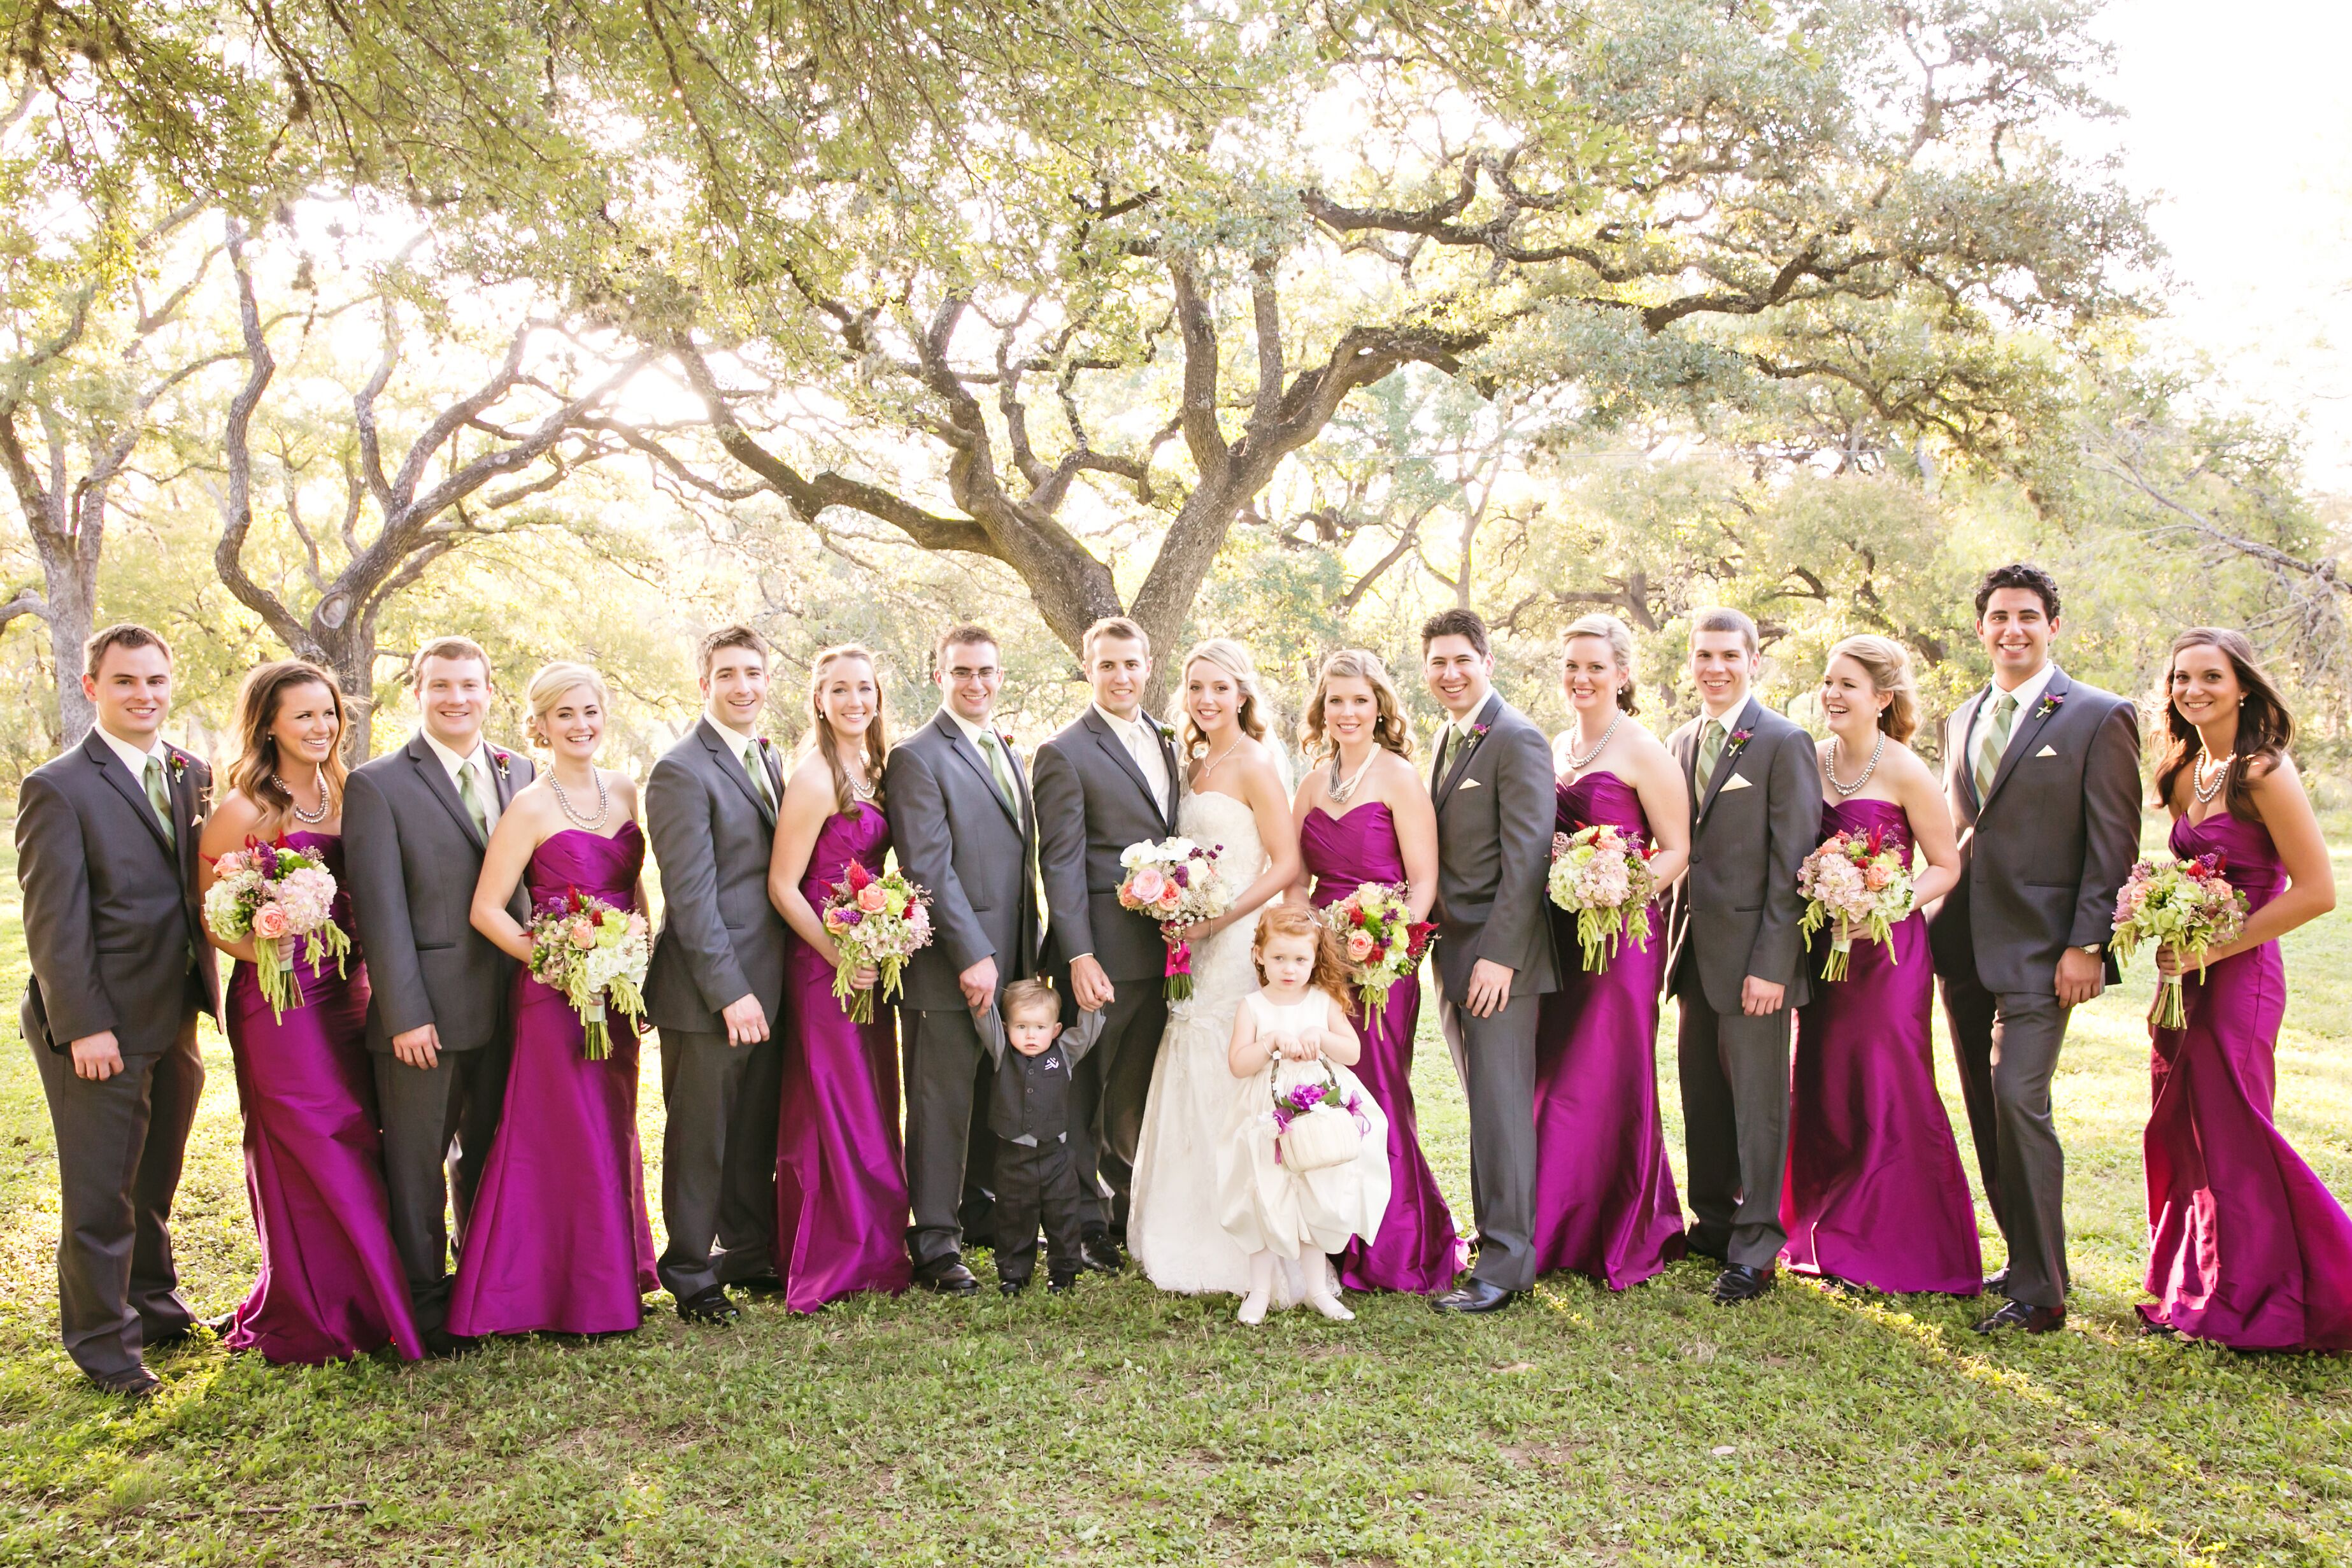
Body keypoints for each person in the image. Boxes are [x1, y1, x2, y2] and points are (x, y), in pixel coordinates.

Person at [1928, 564, 2140, 1334]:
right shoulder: (1961, 718)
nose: (2011, 629)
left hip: (2047, 949)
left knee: (2020, 1096)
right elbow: (1957, 831)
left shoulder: (2097, 714)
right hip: (1962, 945)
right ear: (1981, 628)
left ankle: (2044, 1294)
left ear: (2053, 624)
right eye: (1997, 617)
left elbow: (2114, 843)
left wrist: (2089, 942)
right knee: (1985, 1106)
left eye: (2027, 616)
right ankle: (2023, 1257)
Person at [194, 662, 422, 1364]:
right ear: (269, 724)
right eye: (304, 717)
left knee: (359, 1131)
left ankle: (373, 1296)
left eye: (329, 714)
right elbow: (212, 919)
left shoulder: (357, 794)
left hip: (349, 992)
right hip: (278, 1002)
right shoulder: (242, 809)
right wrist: (267, 941)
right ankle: (318, 1307)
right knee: (310, 1140)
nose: (321, 727)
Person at [18, 625, 218, 1397]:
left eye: (157, 680)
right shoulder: (59, 785)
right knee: (101, 1190)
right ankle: (104, 1345)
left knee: (153, 1177)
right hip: (98, 1024)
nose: (145, 695)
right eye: (127, 681)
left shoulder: (190, 772)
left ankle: (154, 1303)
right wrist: (84, 1025)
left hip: (174, 1012)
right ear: (92, 685)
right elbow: (54, 924)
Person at [2137, 629, 2351, 1350]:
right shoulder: (2182, 772)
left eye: (2210, 677)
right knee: (2184, 1123)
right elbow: (2188, 877)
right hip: (2184, 977)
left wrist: (2216, 946)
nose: (2192, 689)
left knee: (2237, 1127)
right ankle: (2202, 1284)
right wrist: (2164, 926)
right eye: (2180, 678)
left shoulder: (2263, 771)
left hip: (2242, 975)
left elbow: (2317, 890)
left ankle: (2280, 1292)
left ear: (2244, 688)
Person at [448, 662, 658, 1336]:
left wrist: (635, 964)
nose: (581, 725)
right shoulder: (530, 806)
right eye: (564, 714)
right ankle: (553, 1294)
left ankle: (609, 1275)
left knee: (612, 1126)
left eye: (590, 711)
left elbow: (636, 891)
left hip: (618, 990)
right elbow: (487, 909)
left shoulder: (624, 788)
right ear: (538, 725)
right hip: (555, 995)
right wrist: (563, 961)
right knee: (561, 1133)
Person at [343, 636, 537, 1353]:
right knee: (417, 1161)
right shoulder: (380, 783)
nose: (456, 698)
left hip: (513, 1001)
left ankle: (484, 1287)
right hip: (424, 1007)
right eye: (441, 686)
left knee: (490, 1151)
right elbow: (379, 911)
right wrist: (405, 1012)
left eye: (469, 684)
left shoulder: (522, 771)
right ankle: (422, 1302)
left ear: (491, 690)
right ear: (416, 692)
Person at [1782, 636, 1981, 1296]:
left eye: (1848, 684)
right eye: (1828, 681)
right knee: (1825, 1078)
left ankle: (1896, 1234)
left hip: (1888, 954)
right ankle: (1826, 1222)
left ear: (1882, 698)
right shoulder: (1808, 761)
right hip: (1823, 950)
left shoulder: (1905, 770)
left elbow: (1947, 866)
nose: (1832, 694)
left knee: (1884, 1079)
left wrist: (1886, 903)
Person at [1127, 639, 1306, 1297]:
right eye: (1196, 686)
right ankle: (1181, 1221)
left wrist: (1219, 918)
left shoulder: (1256, 762)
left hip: (1229, 943)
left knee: (1233, 1075)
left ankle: (1242, 1238)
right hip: (1187, 939)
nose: (1206, 698)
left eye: (1220, 688)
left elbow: (1285, 863)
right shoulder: (1190, 760)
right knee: (1187, 1063)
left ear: (1242, 693)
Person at [1288, 648, 1465, 1295]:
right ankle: (1338, 1237)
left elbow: (1422, 882)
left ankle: (1400, 1241)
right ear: (1322, 708)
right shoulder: (1311, 782)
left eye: (1360, 700)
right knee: (1330, 1097)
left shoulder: (1397, 776)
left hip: (1381, 966)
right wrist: (1298, 952)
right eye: (1336, 700)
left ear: (1381, 707)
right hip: (1321, 967)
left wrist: (1390, 951)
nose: (1348, 711)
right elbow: (1299, 880)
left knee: (1381, 1095)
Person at [1662, 608, 1818, 1306]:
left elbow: (1795, 861)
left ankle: (1756, 1243)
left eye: (1729, 655)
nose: (1715, 668)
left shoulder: (1784, 741)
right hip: (1692, 953)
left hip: (1757, 959)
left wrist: (1774, 963)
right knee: (1701, 1093)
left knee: (1758, 1103)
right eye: (1703, 656)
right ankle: (1715, 1222)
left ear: (1755, 660)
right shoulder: (1680, 740)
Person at [1529, 616, 1690, 1289]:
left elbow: (1677, 849)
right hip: (1560, 935)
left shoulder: (1643, 749)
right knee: (1554, 1071)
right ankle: (1555, 1217)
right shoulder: (1556, 745)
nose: (1581, 677)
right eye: (1571, 665)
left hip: (1621, 940)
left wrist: (1616, 889)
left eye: (1595, 666)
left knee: (1603, 1073)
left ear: (1623, 674)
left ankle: (1614, 1224)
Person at [885, 624, 1042, 1294]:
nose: (975, 683)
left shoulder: (1004, 747)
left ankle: (976, 1213)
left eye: (986, 671)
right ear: (939, 674)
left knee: (987, 1094)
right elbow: (928, 865)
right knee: (940, 1101)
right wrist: (972, 952)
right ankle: (935, 1243)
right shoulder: (916, 755)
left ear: (1000, 675)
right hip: (951, 963)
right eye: (962, 671)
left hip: (1009, 956)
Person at [643, 624, 791, 1322]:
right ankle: (691, 1271)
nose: (743, 686)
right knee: (701, 1135)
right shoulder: (681, 770)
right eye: (728, 674)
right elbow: (692, 896)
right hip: (707, 991)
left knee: (752, 1129)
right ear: (704, 683)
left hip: (771, 979)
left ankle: (749, 1250)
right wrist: (730, 992)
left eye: (754, 673)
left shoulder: (767, 756)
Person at [1031, 616, 1187, 1265]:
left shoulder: (1169, 738)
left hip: (1163, 952)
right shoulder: (1064, 751)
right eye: (1107, 665)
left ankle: (1129, 1209)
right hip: (1099, 954)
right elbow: (1060, 862)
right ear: (1087, 670)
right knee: (1082, 1092)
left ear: (1149, 665)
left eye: (1132, 664)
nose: (1121, 677)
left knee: (1136, 1088)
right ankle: (1079, 1226)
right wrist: (1078, 956)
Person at [766, 645, 915, 1311]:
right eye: (840, 690)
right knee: (836, 1102)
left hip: (865, 954)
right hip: (823, 962)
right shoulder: (815, 775)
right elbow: (783, 885)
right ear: (819, 700)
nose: (856, 700)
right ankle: (836, 1252)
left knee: (872, 1096)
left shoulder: (875, 766)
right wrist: (839, 955)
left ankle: (875, 1246)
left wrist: (882, 938)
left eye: (865, 688)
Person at [1420, 608, 1558, 1313]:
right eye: (1438, 662)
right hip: (1455, 950)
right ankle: (1495, 1239)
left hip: (1500, 960)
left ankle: (1504, 1267)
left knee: (1502, 1106)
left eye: (1461, 660)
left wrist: (1500, 957)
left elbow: (1529, 854)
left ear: (1487, 661)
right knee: (1484, 1105)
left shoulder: (1517, 738)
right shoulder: (1447, 738)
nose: (1450, 673)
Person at [1221, 906, 1390, 1325]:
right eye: (1278, 958)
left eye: (1300, 959)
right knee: (1264, 1193)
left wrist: (1321, 1036)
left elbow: (1351, 1052)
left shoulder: (1322, 1002)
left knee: (1317, 1193)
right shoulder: (1252, 1006)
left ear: (1315, 959)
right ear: (1258, 955)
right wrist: (1270, 1043)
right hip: (1266, 1113)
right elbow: (1239, 1064)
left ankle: (1317, 1289)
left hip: (1317, 1109)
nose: (1289, 969)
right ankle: (1259, 1290)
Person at [974, 980, 1106, 1295]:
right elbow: (985, 1019)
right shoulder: (1002, 1050)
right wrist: (980, 995)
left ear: (1056, 1029)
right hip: (1013, 1156)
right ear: (1006, 1028)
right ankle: (1014, 1274)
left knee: (1063, 1215)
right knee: (1013, 1215)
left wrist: (1093, 1005)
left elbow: (1088, 1032)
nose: (1030, 1035)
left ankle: (1064, 1272)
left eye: (1039, 1027)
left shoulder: (1065, 1053)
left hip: (1055, 1156)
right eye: (1021, 1026)